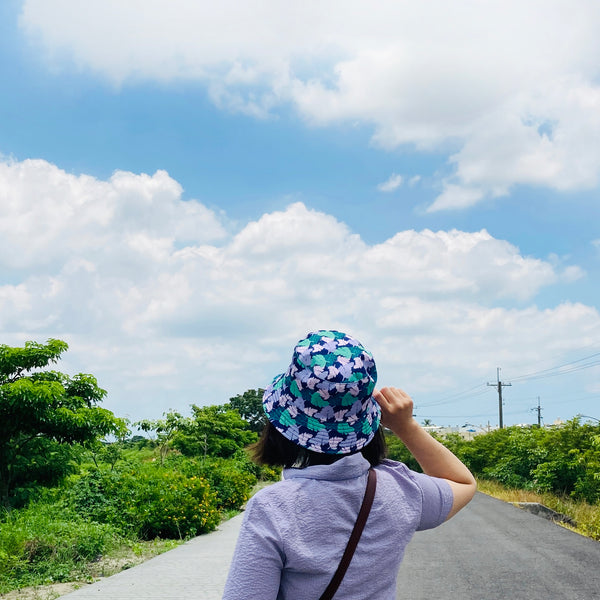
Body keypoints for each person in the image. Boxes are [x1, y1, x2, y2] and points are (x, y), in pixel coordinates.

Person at [222, 330, 476, 600]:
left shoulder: (272, 508)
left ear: (283, 422)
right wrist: (406, 427)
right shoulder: (401, 489)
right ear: (367, 417)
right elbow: (463, 483)